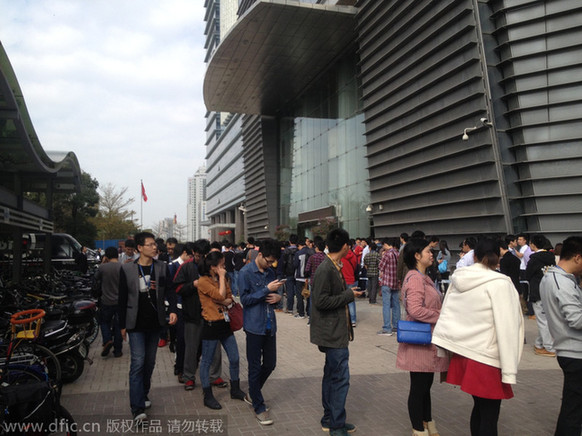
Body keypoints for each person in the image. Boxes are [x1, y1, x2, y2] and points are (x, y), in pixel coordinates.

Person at [433, 238, 524, 436]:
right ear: (498, 257)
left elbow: (448, 313)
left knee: (480, 408)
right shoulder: (501, 283)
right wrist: (509, 366)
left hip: (464, 353)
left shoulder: (459, 279)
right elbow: (508, 326)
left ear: (473, 256)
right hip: (487, 356)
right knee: (490, 414)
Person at [118, 232, 178, 423]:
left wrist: (174, 309)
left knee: (150, 363)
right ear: (139, 248)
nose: (154, 248)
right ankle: (136, 409)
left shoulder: (161, 267)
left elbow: (169, 290)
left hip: (155, 322)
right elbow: (122, 299)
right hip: (135, 323)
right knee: (137, 363)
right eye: (150, 245)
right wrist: (121, 325)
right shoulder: (127, 269)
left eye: (155, 245)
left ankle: (143, 395)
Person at [310, 228, 363, 436]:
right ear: (345, 246)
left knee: (332, 376)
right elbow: (321, 301)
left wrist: (348, 294)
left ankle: (330, 418)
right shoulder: (326, 268)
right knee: (340, 379)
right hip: (332, 334)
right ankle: (336, 425)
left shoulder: (333, 265)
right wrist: (348, 295)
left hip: (335, 332)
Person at [396, 238, 449, 436]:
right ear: (417, 256)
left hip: (427, 342)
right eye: (428, 251)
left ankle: (427, 423)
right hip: (420, 342)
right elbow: (415, 310)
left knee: (425, 386)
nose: (432, 254)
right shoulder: (416, 279)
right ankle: (419, 429)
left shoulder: (422, 277)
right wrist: (441, 316)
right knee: (419, 388)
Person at [238, 239, 285, 425]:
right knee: (254, 366)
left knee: (271, 364)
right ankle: (258, 405)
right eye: (268, 260)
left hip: (269, 325)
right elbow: (245, 300)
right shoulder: (245, 273)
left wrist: (278, 297)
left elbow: (273, 298)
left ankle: (252, 392)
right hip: (254, 326)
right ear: (260, 255)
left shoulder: (270, 272)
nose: (270, 264)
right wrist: (266, 289)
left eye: (273, 261)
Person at [540, 236, 582, 435]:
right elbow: (576, 319)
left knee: (572, 407)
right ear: (578, 258)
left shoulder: (557, 278)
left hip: (571, 351)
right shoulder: (560, 282)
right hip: (575, 352)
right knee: (573, 411)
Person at [197, 251, 247, 410]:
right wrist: (222, 294)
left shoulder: (222, 278)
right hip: (211, 324)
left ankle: (235, 388)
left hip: (225, 323)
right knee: (206, 361)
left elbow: (229, 297)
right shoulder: (203, 281)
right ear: (213, 267)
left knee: (234, 357)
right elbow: (220, 295)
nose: (224, 268)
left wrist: (223, 297)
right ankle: (208, 395)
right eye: (221, 265)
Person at [174, 240, 226, 390]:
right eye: (197, 256)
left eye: (203, 256)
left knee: (215, 347)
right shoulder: (186, 267)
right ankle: (189, 376)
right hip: (193, 314)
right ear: (192, 254)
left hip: (212, 314)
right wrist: (193, 285)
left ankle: (215, 376)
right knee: (191, 347)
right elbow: (177, 288)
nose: (200, 259)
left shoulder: (214, 267)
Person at [526, 234, 556, 357]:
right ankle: (539, 344)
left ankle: (549, 347)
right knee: (546, 320)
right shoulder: (551, 257)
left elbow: (528, 274)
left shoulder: (534, 258)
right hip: (550, 290)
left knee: (542, 321)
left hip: (537, 291)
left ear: (533, 244)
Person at [94, 246, 123, 358]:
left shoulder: (102, 268)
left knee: (104, 322)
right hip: (120, 302)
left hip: (106, 301)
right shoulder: (123, 267)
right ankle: (118, 350)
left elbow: (96, 277)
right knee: (118, 325)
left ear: (106, 256)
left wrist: (103, 263)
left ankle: (107, 340)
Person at [378, 238, 400, 335]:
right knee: (396, 305)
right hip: (395, 282)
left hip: (387, 282)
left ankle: (387, 328)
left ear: (386, 244)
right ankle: (396, 326)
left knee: (386, 305)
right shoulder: (397, 253)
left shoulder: (387, 254)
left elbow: (381, 266)